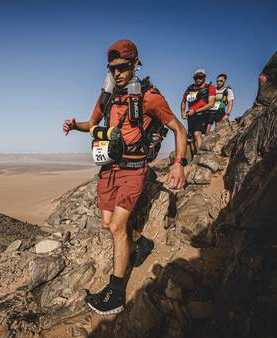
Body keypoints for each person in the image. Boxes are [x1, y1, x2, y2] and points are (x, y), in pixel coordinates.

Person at [62, 39, 188, 315]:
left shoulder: (150, 97)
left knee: (118, 228)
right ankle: (142, 242)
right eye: (112, 68)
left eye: (122, 67)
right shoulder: (107, 96)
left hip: (133, 169)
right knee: (108, 223)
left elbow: (179, 129)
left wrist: (179, 164)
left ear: (134, 65)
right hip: (109, 168)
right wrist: (75, 125)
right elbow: (92, 124)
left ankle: (116, 292)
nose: (117, 73)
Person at [180, 69, 216, 154]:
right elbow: (183, 101)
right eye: (196, 78)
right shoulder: (189, 88)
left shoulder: (210, 87)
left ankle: (200, 157)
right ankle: (194, 159)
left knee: (197, 134)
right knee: (191, 138)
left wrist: (195, 111)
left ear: (204, 77)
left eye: (200, 77)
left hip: (203, 114)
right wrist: (182, 112)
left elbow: (211, 104)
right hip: (191, 116)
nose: (198, 79)